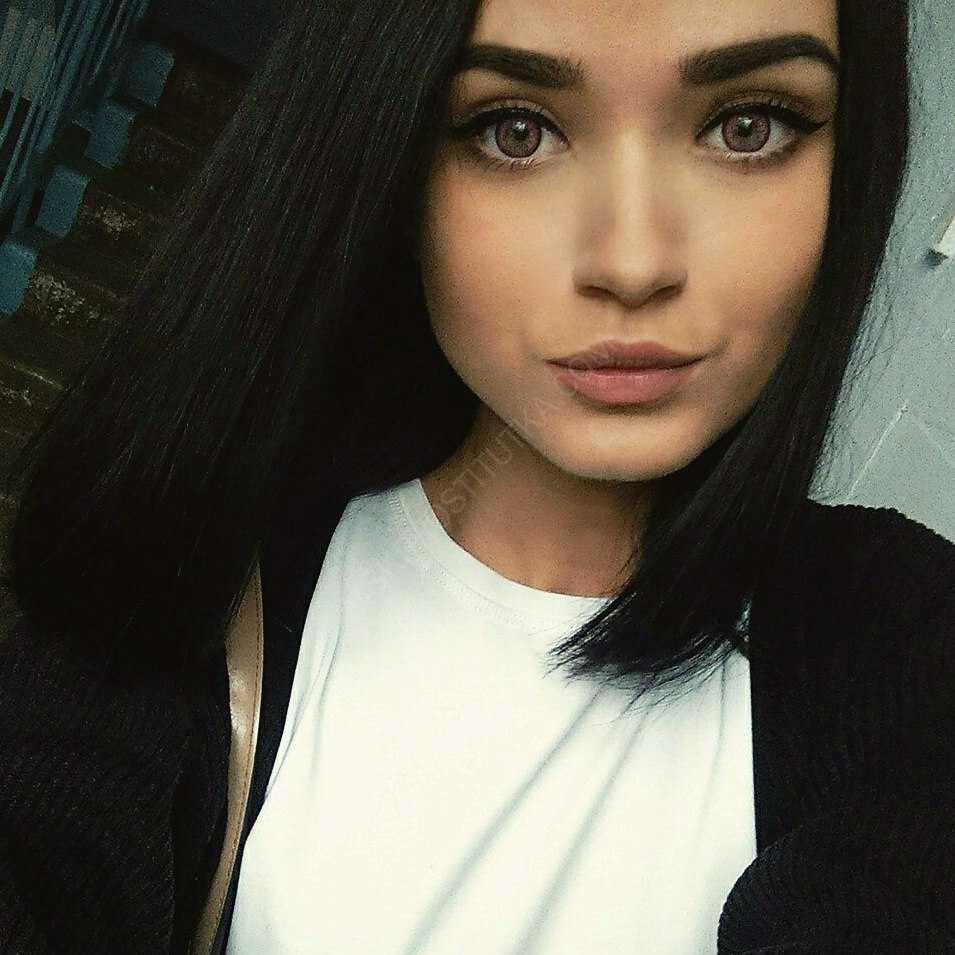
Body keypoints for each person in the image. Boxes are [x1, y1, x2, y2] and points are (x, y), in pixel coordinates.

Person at [1, 0, 952, 952]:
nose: (632, 264)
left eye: (747, 126)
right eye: (515, 130)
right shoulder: (170, 594)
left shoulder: (906, 641)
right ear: (391, 160)